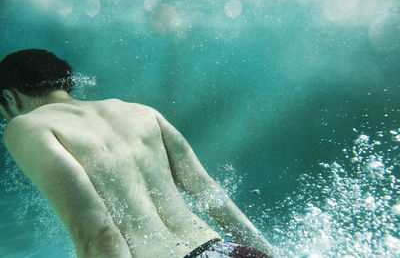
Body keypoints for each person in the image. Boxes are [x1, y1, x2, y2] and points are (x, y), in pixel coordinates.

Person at [0, 49, 273, 258]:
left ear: (10, 98)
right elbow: (210, 193)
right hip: (227, 250)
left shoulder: (27, 126)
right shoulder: (141, 112)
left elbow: (99, 235)